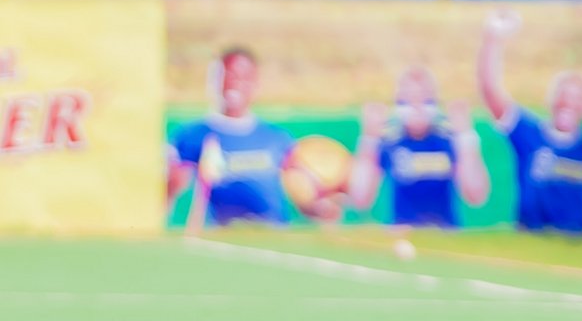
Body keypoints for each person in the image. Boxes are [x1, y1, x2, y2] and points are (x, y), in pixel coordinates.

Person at [167, 46, 339, 227]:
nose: (235, 83)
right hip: (219, 236)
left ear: (255, 83)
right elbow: (169, 194)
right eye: (228, 75)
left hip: (272, 235)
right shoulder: (192, 135)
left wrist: (320, 209)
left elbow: (301, 193)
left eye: (244, 77)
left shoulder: (276, 138)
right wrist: (172, 184)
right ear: (214, 80)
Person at [476, 8, 582, 234]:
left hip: (576, 241)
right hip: (531, 237)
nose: (568, 103)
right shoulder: (529, 132)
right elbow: (490, 91)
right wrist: (493, 39)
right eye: (563, 95)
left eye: (577, 98)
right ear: (551, 99)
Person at [346, 66, 490, 227]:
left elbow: (476, 195)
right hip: (402, 232)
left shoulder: (448, 141)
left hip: (445, 232)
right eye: (406, 101)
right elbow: (360, 199)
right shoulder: (390, 142)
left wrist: (465, 136)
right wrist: (369, 139)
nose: (417, 107)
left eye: (426, 100)